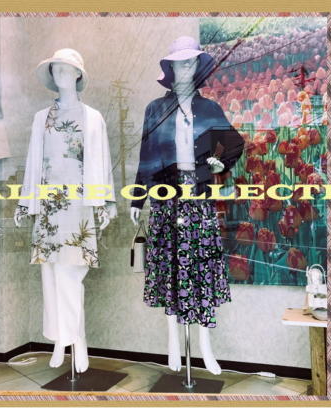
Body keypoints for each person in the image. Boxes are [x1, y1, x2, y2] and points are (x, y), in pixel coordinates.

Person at [130, 36, 244, 374]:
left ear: (197, 67)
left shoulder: (209, 109)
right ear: (170, 68)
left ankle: (205, 346)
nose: (184, 69)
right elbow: (147, 155)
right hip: (166, 198)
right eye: (178, 63)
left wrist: (221, 162)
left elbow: (234, 143)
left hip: (198, 197)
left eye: (190, 62)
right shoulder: (155, 109)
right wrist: (138, 197)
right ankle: (172, 344)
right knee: (170, 269)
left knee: (201, 267)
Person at [14, 48, 116, 373]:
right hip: (49, 205)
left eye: (65, 68)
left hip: (79, 204)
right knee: (51, 274)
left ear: (77, 74)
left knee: (71, 274)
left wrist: (105, 202)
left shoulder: (93, 118)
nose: (59, 73)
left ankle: (75, 340)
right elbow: (33, 161)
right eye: (55, 68)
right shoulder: (41, 118)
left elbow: (101, 161)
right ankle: (63, 339)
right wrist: (25, 201)